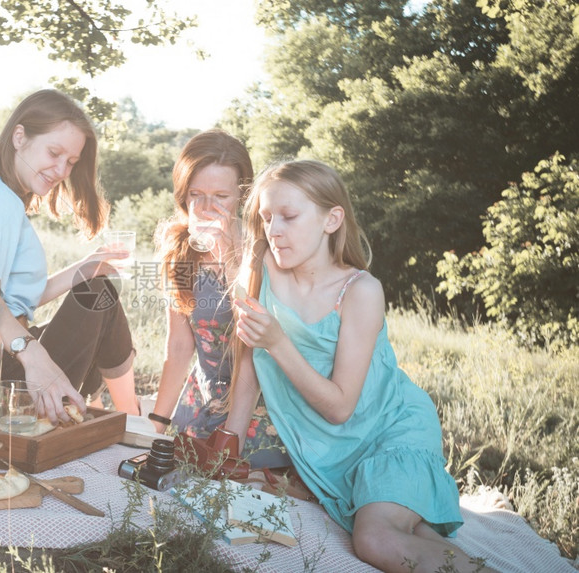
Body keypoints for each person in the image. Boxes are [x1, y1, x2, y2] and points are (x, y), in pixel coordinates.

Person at [226, 159, 494, 572]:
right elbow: (249, 359)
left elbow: (340, 407)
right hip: (333, 451)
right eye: (266, 217)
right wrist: (230, 447)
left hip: (389, 433)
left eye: (289, 216)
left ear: (332, 219)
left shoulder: (361, 290)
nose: (273, 229)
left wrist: (278, 342)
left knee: (374, 539)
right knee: (412, 539)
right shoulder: (262, 260)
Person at [0, 89, 139, 424]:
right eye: (54, 153)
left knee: (94, 285)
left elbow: (14, 303)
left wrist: (85, 267)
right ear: (19, 136)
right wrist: (36, 357)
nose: (61, 170)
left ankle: (117, 412)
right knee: (101, 295)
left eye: (70, 162)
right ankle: (132, 417)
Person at [150, 129, 289, 469]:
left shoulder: (266, 253)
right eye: (195, 194)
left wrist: (228, 254)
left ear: (243, 197)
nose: (205, 208)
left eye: (220, 196)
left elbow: (258, 349)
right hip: (200, 400)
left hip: (260, 406)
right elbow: (180, 348)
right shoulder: (180, 252)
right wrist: (157, 422)